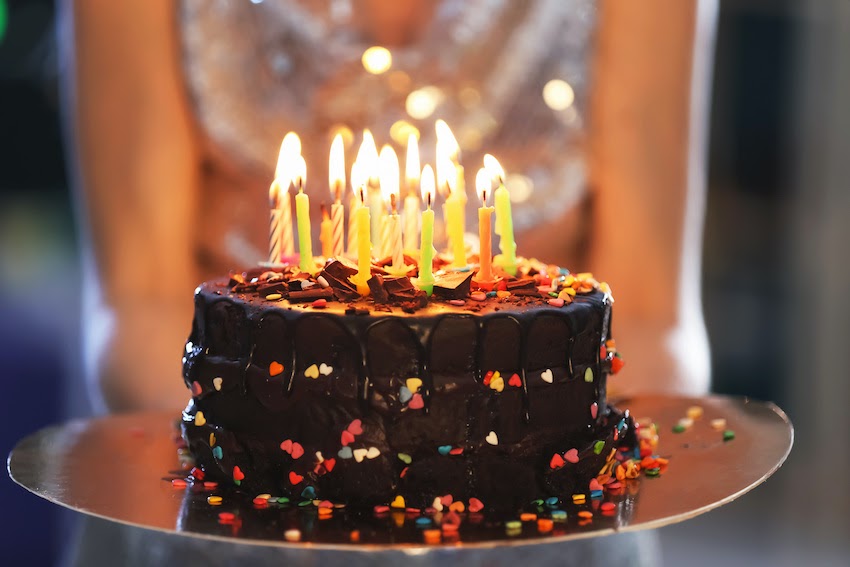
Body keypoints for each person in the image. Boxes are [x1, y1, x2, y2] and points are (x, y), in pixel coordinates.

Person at [62, 0, 715, 564]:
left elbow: (654, 319)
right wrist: (276, 469)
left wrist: (518, 469)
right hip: (229, 522)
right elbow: (137, 305)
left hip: (541, 529)